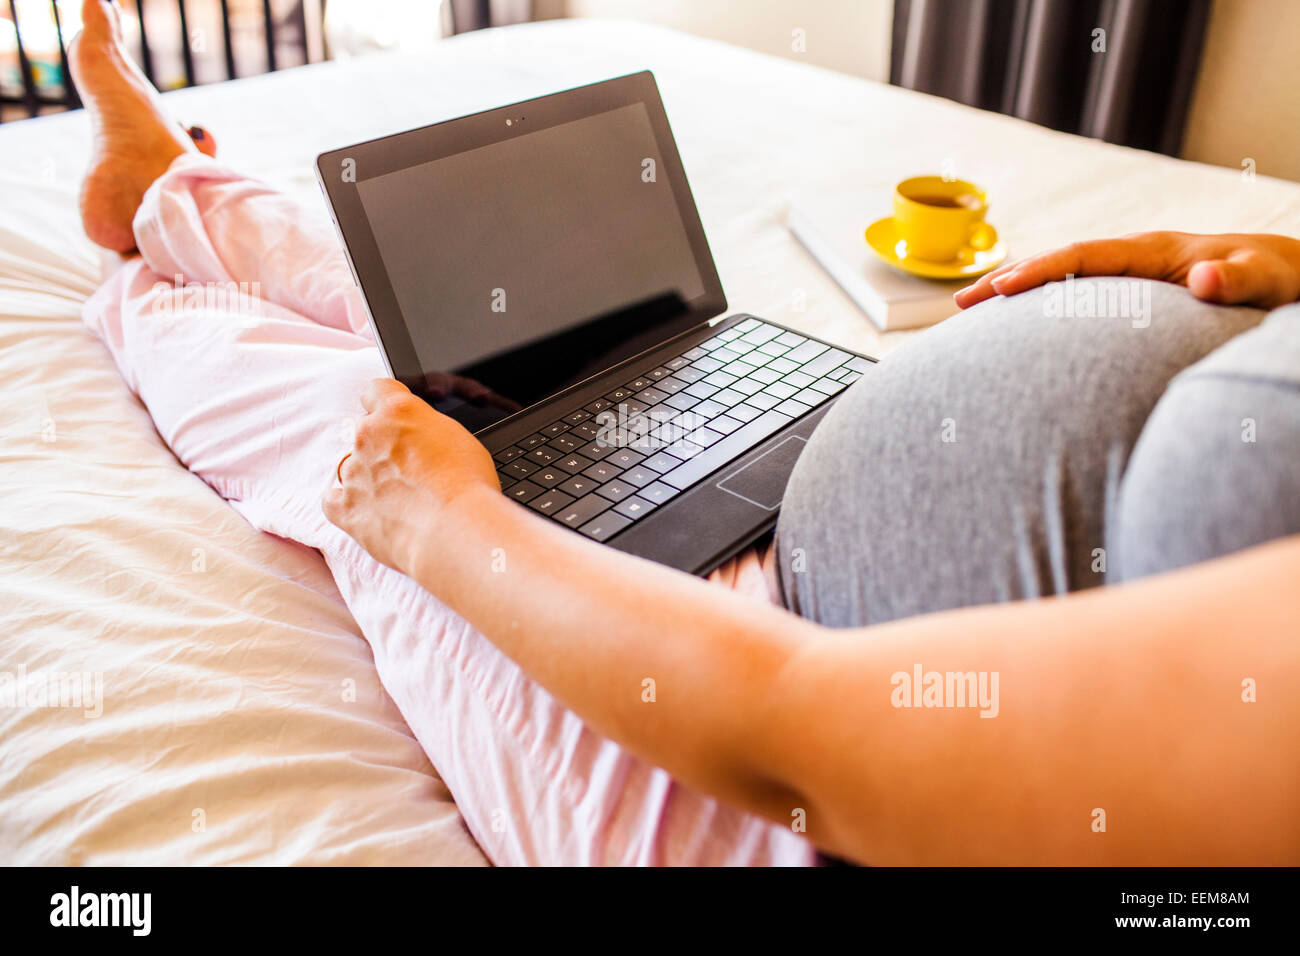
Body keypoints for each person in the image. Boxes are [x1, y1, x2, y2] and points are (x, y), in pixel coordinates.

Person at [69, 0, 1299, 865]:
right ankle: (180, 188)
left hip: (773, 740)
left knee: (357, 422)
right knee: (459, 338)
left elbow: (810, 749)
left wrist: (444, 523)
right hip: (803, 499)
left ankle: (146, 256)